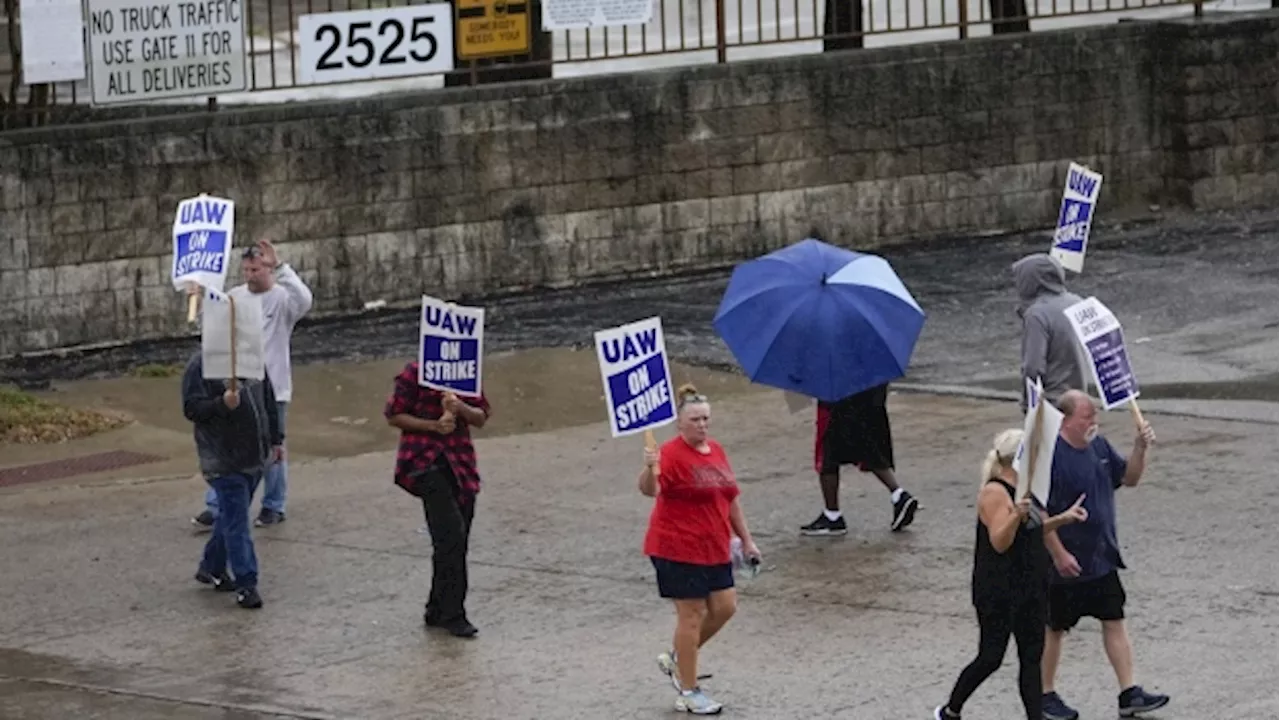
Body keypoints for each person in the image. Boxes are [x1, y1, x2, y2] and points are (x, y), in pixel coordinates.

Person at [935, 429, 1088, 720]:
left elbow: (1029, 533)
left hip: (1030, 585)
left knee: (1031, 658)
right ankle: (951, 709)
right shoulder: (994, 492)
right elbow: (1000, 540)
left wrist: (1061, 519)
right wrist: (1016, 514)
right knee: (991, 657)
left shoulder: (1025, 491)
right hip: (999, 589)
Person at [1040, 390, 1170, 720]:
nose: (1094, 422)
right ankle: (1044, 694)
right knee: (1054, 629)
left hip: (1101, 557)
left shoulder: (1099, 446)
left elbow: (1130, 478)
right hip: (1064, 564)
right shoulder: (1050, 457)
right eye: (1087, 417)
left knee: (1114, 620)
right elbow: (1037, 512)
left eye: (1095, 416)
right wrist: (1057, 552)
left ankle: (1129, 693)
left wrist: (1141, 448)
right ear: (1066, 420)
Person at [640, 383, 761, 716]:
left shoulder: (718, 450)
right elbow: (652, 489)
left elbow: (730, 498)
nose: (702, 425)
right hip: (677, 547)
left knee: (725, 607)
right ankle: (689, 691)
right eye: (695, 419)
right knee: (691, 615)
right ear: (680, 422)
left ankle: (680, 656)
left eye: (706, 418)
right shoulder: (669, 453)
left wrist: (747, 539)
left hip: (715, 545)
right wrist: (648, 466)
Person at [192, 240, 313, 531]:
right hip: (240, 385)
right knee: (230, 446)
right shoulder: (235, 296)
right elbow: (212, 324)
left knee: (273, 447)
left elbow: (304, 299)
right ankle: (217, 504)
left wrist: (281, 267)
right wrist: (201, 297)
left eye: (256, 269)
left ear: (267, 268)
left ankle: (273, 505)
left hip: (273, 388)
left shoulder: (283, 299)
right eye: (246, 269)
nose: (250, 275)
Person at [384, 362, 491, 639]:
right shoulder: (413, 373)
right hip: (424, 461)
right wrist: (433, 425)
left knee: (455, 538)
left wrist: (459, 408)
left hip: (460, 463)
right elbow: (394, 414)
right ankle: (454, 613)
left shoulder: (467, 371)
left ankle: (436, 606)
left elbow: (481, 416)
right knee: (451, 534)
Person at [183, 350, 282, 610]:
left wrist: (276, 439)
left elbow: (268, 400)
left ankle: (211, 566)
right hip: (223, 461)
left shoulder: (251, 357)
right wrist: (221, 404)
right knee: (238, 522)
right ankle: (246, 583)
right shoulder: (200, 364)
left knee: (231, 516)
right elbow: (192, 407)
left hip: (254, 457)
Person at [800, 382, 919, 535]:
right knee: (866, 445)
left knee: (827, 450)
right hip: (871, 389)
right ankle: (898, 494)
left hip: (839, 393)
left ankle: (832, 515)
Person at [1012, 253, 1088, 413]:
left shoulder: (1037, 314)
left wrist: (1028, 404)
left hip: (1053, 402)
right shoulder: (1078, 302)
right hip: (1080, 398)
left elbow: (1033, 368)